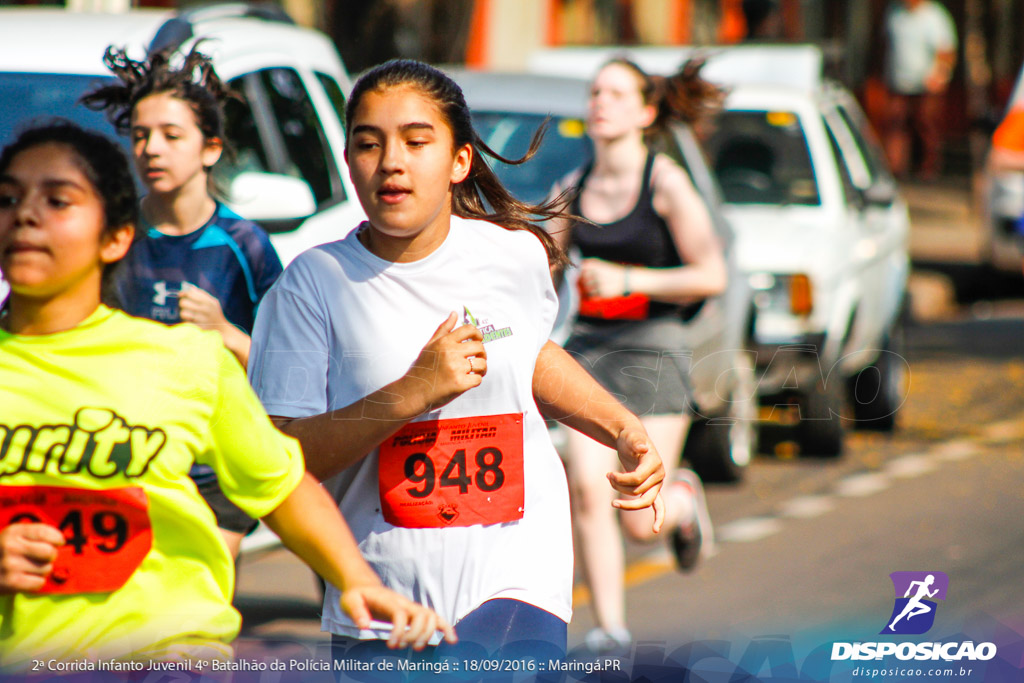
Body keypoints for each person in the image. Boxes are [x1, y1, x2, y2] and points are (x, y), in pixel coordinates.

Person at [246, 59, 667, 670]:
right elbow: (279, 461)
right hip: (382, 598)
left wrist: (624, 428)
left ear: (460, 161)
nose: (392, 161)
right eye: (369, 143)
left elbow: (526, 356)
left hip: (517, 573)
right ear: (348, 161)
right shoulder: (311, 287)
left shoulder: (512, 256)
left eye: (417, 142)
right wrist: (414, 391)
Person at [0, 122, 454, 668]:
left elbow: (281, 484)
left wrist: (356, 579)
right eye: (7, 198)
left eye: (58, 200)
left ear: (116, 237)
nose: (26, 214)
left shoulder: (186, 360)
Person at [546, 57, 728, 654]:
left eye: (617, 93)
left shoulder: (665, 182)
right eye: (596, 91)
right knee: (586, 491)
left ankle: (679, 502)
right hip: (588, 354)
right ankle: (610, 631)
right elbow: (541, 276)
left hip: (654, 352)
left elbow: (712, 274)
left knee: (636, 514)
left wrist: (631, 280)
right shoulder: (570, 188)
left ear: (646, 112)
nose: (601, 101)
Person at [81, 46, 284, 558]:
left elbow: (292, 371)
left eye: (172, 136)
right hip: (119, 459)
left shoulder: (245, 244)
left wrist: (227, 333)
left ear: (210, 148)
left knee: (197, 616)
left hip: (213, 467)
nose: (152, 149)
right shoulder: (107, 236)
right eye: (141, 135)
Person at [881, 0, 958, 180]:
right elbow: (885, 44)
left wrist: (939, 76)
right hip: (898, 83)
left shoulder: (934, 16)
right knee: (896, 124)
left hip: (926, 85)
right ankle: (896, 168)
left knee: (926, 125)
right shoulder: (894, 13)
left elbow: (946, 49)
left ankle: (928, 169)